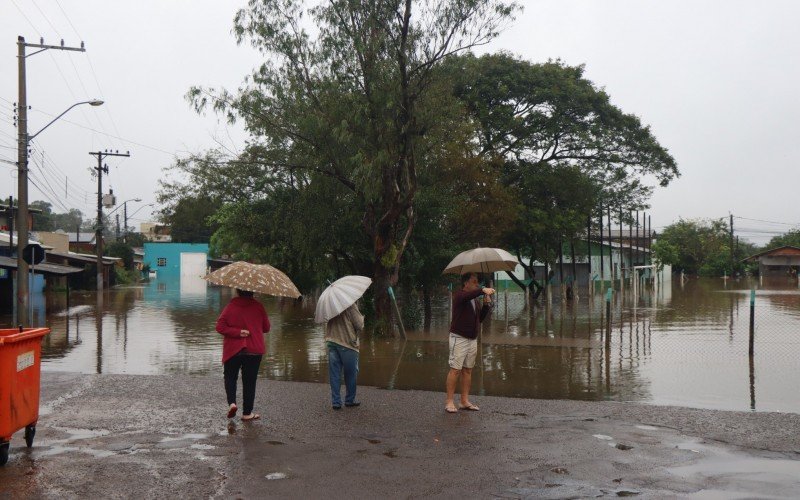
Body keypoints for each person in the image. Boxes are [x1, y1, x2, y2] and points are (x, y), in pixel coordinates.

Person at [215, 289, 271, 421]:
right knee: (250, 381)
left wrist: (237, 332)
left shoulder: (230, 307)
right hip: (254, 349)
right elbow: (267, 328)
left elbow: (220, 327)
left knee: (230, 377)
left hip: (233, 349)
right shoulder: (258, 306)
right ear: (253, 292)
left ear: (237, 291)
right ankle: (247, 413)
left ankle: (232, 403)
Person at [445, 273, 495, 413]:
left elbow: (479, 319)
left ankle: (464, 400)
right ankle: (449, 401)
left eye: (477, 283)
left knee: (468, 369)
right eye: (474, 282)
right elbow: (469, 295)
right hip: (459, 337)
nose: (476, 284)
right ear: (465, 283)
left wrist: (486, 305)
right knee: (455, 369)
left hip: (472, 338)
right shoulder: (460, 296)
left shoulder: (475, 300)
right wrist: (482, 290)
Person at [324, 302, 364, 410]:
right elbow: (360, 325)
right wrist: (361, 316)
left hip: (332, 342)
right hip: (347, 344)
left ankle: (336, 402)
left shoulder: (330, 305)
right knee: (351, 374)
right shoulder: (350, 305)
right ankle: (349, 400)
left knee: (334, 374)